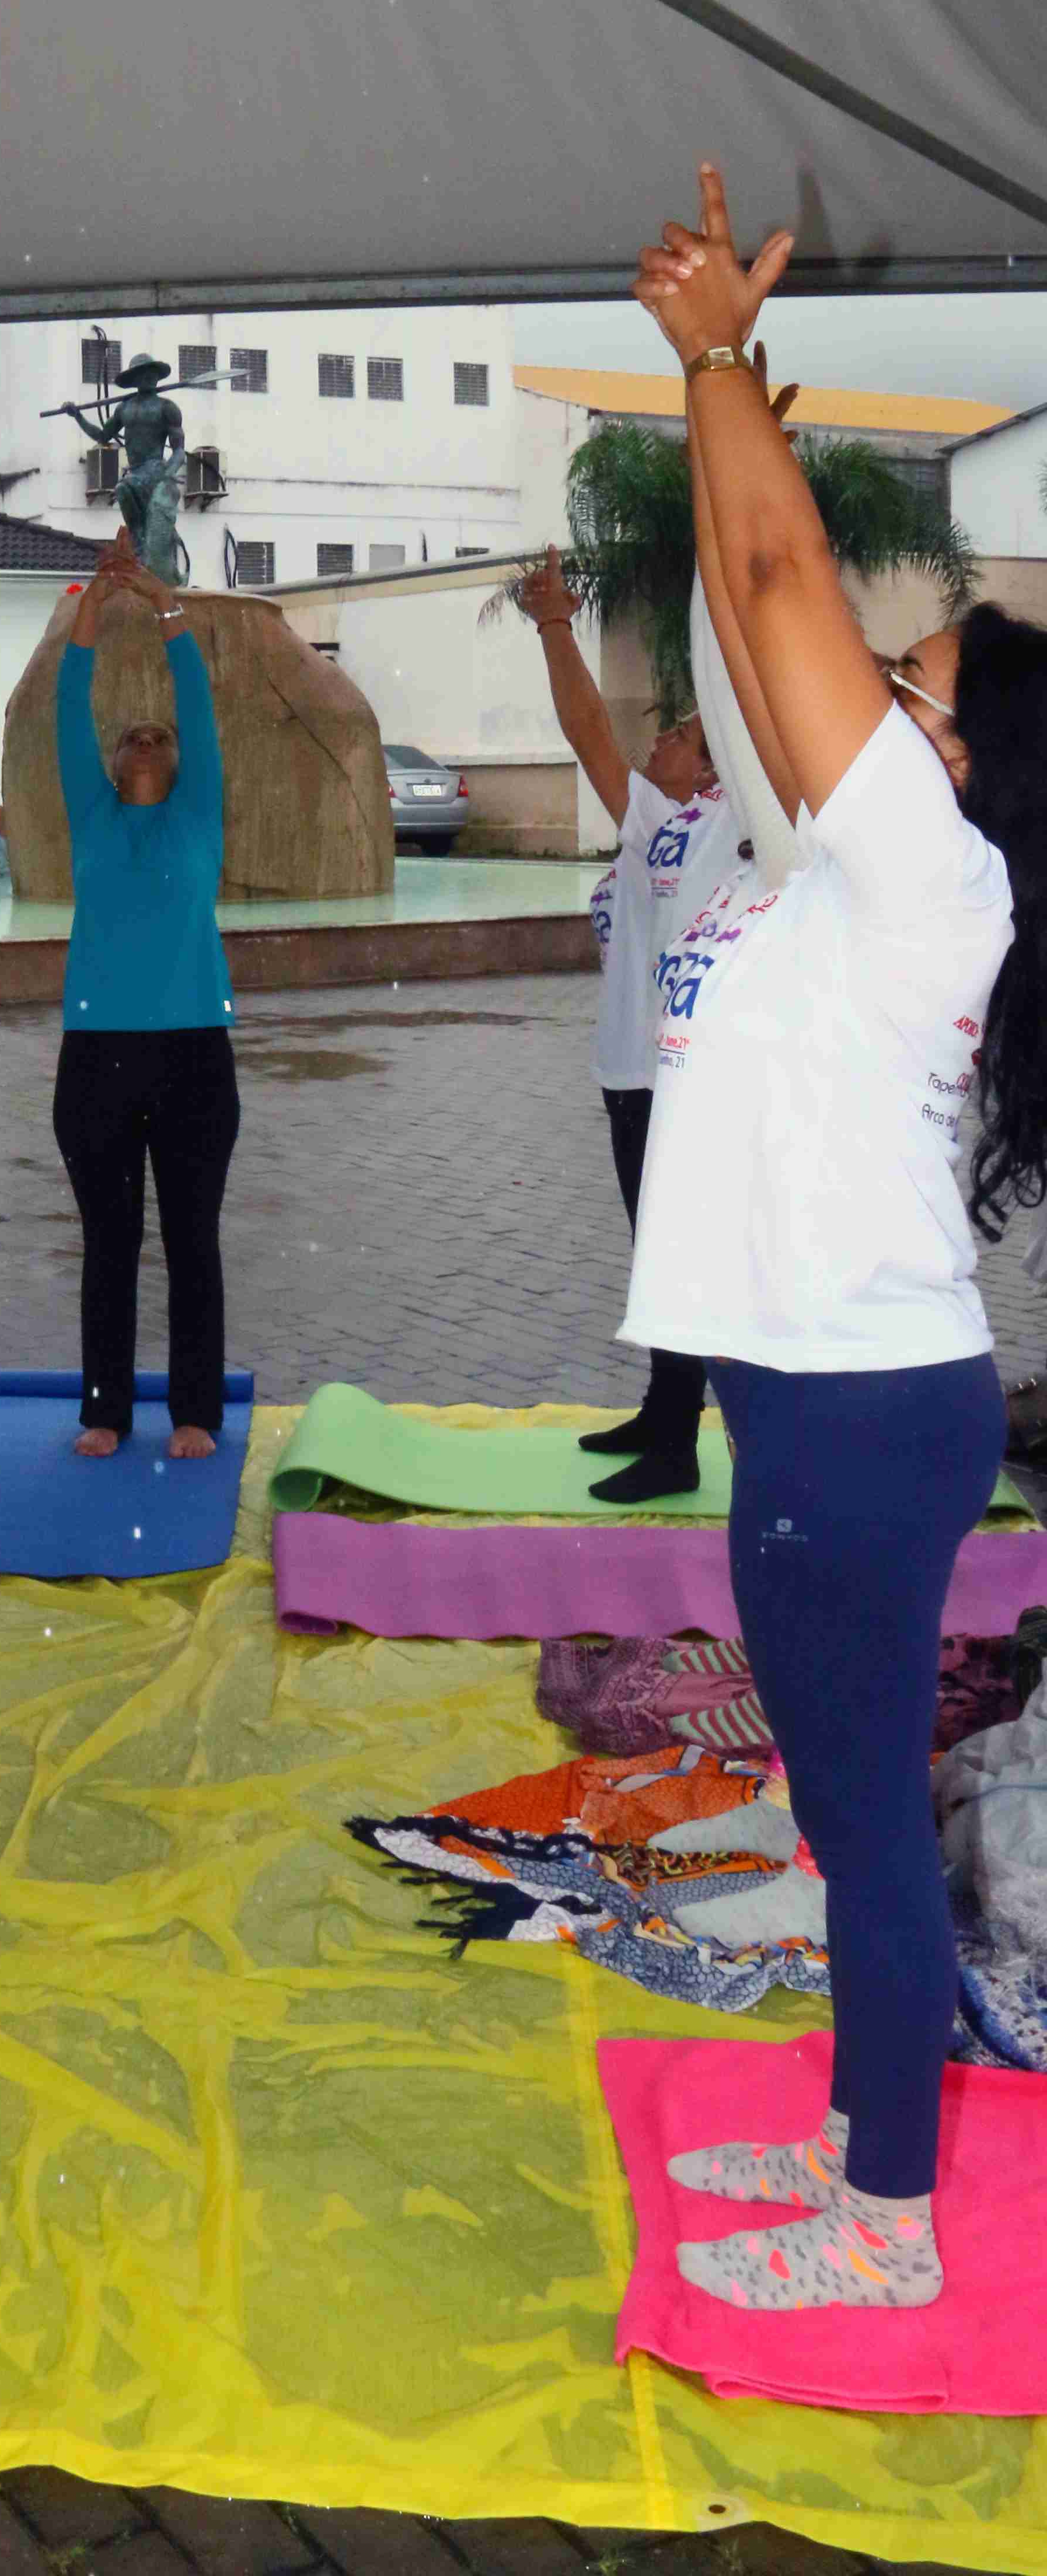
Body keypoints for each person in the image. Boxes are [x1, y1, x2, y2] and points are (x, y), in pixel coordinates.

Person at [623, 161, 1047, 2313]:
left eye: (923, 672)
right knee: (846, 1814)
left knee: (861, 1828)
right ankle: (854, 2127)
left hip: (852, 1410)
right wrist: (711, 399)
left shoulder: (927, 876)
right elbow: (743, 587)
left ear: (970, 764)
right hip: (837, 1390)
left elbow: (780, 573)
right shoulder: (878, 855)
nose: (879, 679)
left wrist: (714, 369)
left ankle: (880, 2220)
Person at [515, 546, 745, 1504]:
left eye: (682, 736)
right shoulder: (658, 820)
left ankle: (678, 1448)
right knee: (654, 1248)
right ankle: (661, 1413)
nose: (659, 741)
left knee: (679, 1252)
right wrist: (554, 627)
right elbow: (585, 733)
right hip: (628, 1074)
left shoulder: (742, 827)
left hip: (687, 1079)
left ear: (714, 768)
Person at [53, 529, 237, 1460]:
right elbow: (66, 711)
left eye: (158, 734)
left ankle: (196, 1412)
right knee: (111, 1242)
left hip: (195, 1051)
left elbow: (197, 711)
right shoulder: (91, 811)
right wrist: (90, 615)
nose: (147, 737)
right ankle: (105, 1410)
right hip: (96, 1057)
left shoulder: (199, 812)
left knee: (192, 1239)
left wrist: (166, 612)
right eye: (133, 732)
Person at [65, 359, 187, 583]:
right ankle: (139, 548)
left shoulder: (167, 408)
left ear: (157, 377)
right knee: (123, 491)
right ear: (134, 379)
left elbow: (180, 451)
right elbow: (103, 436)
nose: (148, 377)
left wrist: (168, 472)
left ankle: (156, 557)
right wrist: (78, 417)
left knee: (130, 490)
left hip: (155, 468)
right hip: (136, 470)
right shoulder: (125, 408)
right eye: (143, 374)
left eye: (152, 373)